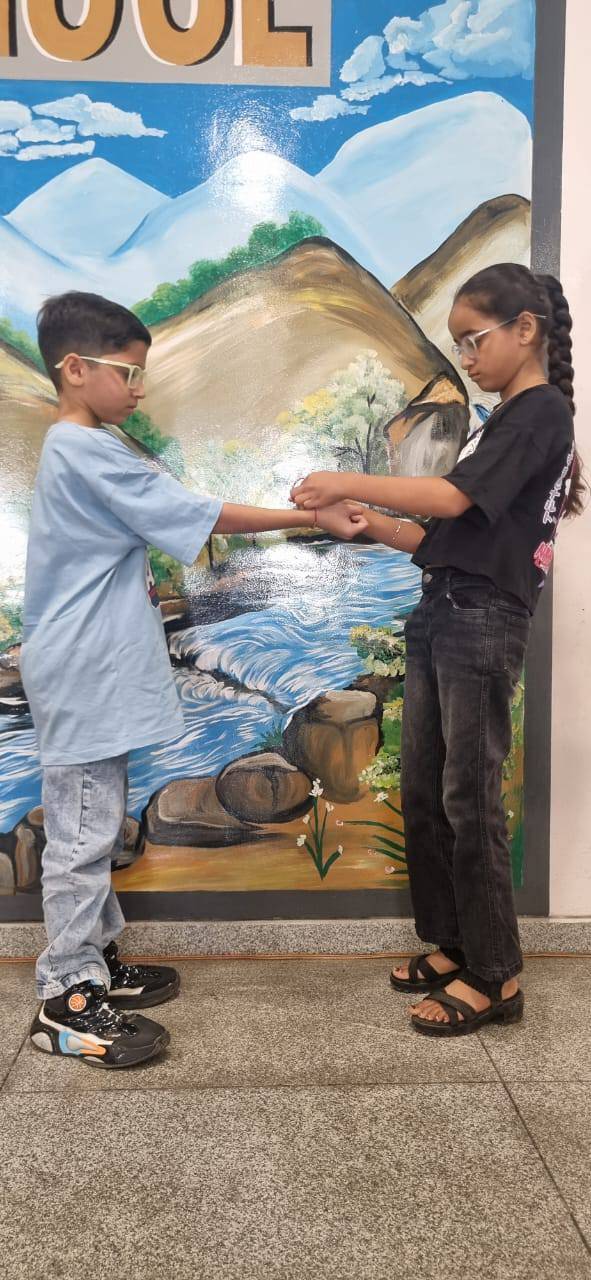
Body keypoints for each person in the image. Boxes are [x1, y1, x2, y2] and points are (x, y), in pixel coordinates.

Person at [22, 290, 368, 1069]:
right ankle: (66, 999)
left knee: (93, 822)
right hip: (81, 670)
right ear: (74, 369)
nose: (138, 389)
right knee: (81, 834)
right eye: (126, 373)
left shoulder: (81, 448)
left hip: (88, 666)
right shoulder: (85, 449)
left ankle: (94, 963)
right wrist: (311, 517)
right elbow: (198, 511)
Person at [292, 264, 585, 1037]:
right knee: (425, 790)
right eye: (458, 344)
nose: (465, 357)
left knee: (468, 796)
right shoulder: (501, 420)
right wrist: (370, 523)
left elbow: (450, 498)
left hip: (480, 620)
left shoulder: (540, 410)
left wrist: (345, 480)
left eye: (474, 339)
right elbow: (442, 538)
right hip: (445, 608)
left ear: (526, 330)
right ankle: (455, 944)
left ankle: (495, 974)